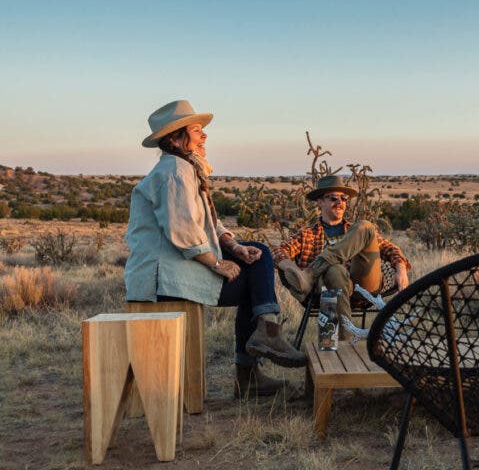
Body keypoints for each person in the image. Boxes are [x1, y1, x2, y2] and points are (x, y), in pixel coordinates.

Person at [125, 100, 306, 399]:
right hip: (164, 279)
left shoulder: (184, 170)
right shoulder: (175, 171)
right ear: (175, 138)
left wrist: (234, 246)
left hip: (175, 270)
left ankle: (266, 333)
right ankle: (257, 357)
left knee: (256, 253)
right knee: (253, 280)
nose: (204, 136)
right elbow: (181, 228)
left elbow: (209, 224)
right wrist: (216, 263)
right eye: (197, 130)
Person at [273, 175, 411, 339]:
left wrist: (401, 269)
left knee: (366, 226)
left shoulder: (357, 231)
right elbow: (277, 251)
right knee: (335, 271)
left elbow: (390, 248)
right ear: (320, 201)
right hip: (328, 288)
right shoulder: (307, 234)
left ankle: (311, 273)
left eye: (343, 198)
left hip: (363, 285)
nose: (340, 202)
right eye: (333, 198)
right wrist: (292, 269)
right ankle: (343, 342)